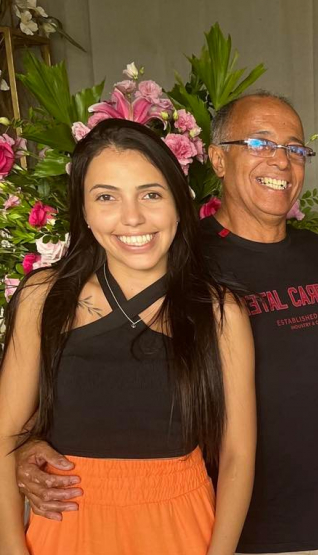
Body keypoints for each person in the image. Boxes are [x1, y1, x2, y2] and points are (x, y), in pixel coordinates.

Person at [15, 93, 318, 554]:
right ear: (217, 158)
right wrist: (24, 446)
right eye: (260, 143)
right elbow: (93, 376)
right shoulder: (178, 257)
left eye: (295, 149)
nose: (281, 160)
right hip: (222, 528)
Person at [0, 118, 256, 555]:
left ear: (179, 202)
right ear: (82, 209)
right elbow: (6, 432)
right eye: (106, 197)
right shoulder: (45, 297)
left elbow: (237, 455)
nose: (132, 217)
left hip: (181, 528)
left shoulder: (219, 310)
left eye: (151, 194)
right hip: (67, 526)